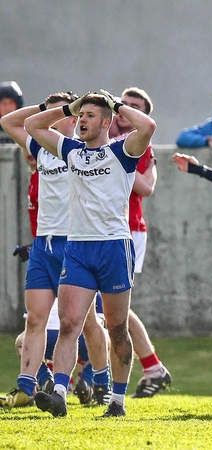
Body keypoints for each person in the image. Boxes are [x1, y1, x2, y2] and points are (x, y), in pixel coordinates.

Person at [24, 90, 156, 417]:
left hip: (114, 248)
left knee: (117, 328)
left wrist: (117, 104)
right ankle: (58, 394)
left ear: (107, 122)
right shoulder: (71, 151)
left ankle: (117, 401)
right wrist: (68, 107)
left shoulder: (122, 151)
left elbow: (148, 126)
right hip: (79, 248)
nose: (82, 120)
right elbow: (30, 125)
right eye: (80, 116)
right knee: (70, 324)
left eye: (90, 116)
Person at [0, 93, 111, 409]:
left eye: (61, 114)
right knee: (34, 320)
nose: (50, 120)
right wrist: (46, 108)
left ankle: (100, 380)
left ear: (73, 118)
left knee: (82, 322)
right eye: (48, 115)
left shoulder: (79, 150)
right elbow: (8, 122)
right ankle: (25, 387)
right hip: (43, 246)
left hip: (74, 244)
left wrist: (70, 109)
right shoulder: (41, 149)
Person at [107, 87, 173, 398]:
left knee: (112, 307)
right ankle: (149, 368)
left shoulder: (134, 144)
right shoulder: (100, 136)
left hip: (127, 229)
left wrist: (110, 158)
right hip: (99, 230)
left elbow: (146, 186)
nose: (126, 109)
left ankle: (148, 368)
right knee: (102, 308)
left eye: (135, 107)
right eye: (124, 103)